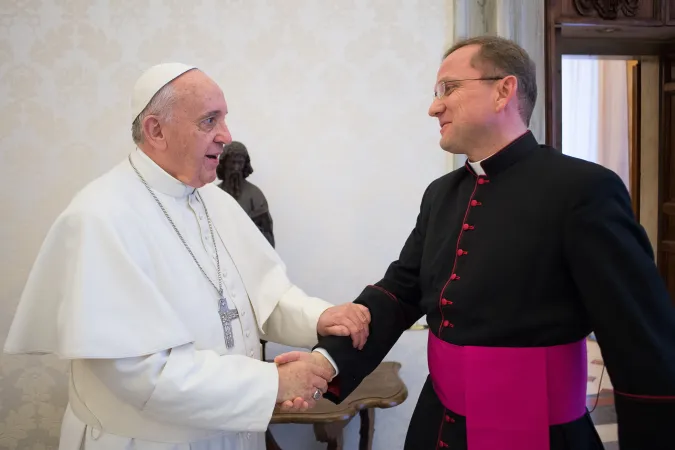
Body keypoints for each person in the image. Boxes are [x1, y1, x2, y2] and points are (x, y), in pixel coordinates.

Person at [276, 36, 675, 450]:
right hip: (440, 425)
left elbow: (639, 340)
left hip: (537, 431)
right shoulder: (441, 194)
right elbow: (399, 292)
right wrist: (324, 361)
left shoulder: (583, 190)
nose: (434, 106)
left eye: (449, 88)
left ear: (504, 90)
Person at [3, 63, 371, 450]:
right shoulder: (99, 217)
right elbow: (139, 371)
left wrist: (318, 318)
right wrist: (272, 382)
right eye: (209, 121)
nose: (226, 136)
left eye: (224, 119)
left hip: (232, 431)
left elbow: (263, 293)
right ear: (155, 130)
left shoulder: (214, 199)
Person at [216, 141, 275, 247]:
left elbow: (267, 235)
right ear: (224, 164)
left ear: (245, 165)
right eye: (232, 162)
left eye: (240, 163)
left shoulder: (255, 196)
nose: (236, 168)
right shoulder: (213, 195)